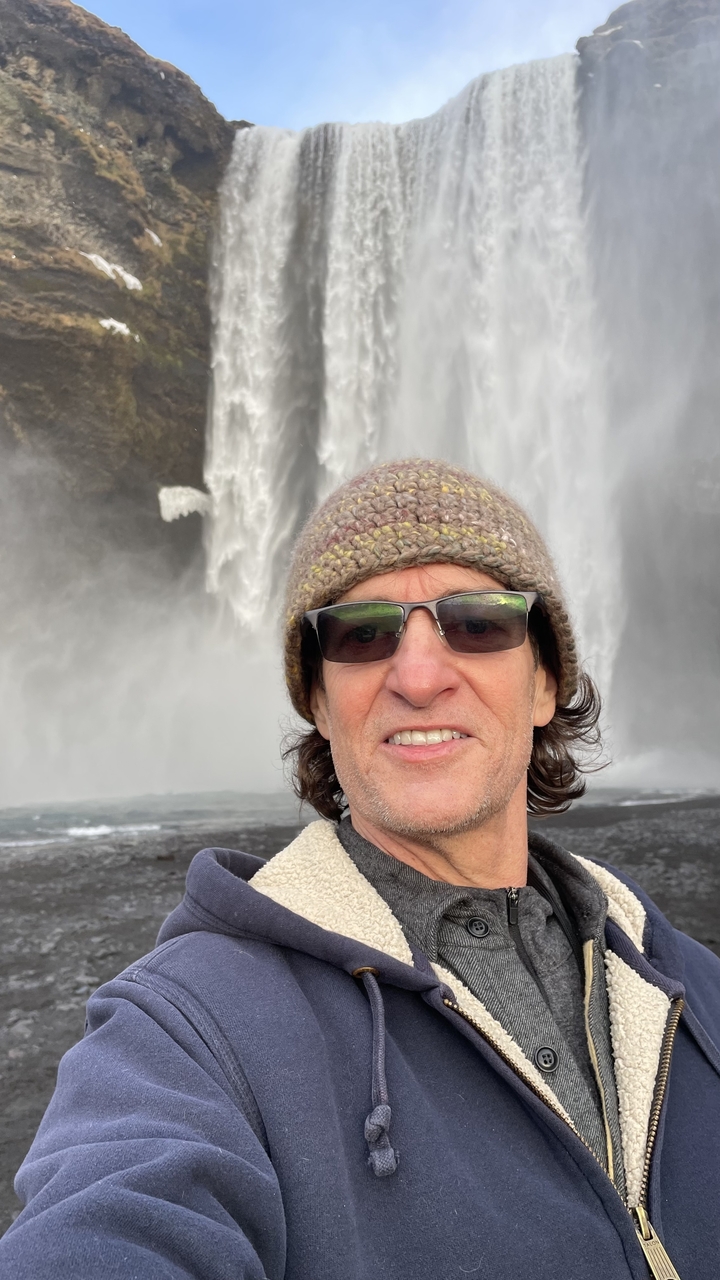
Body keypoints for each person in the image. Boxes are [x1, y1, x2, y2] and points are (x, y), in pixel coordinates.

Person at [2, 459, 719, 1280]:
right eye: (363, 633)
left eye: (480, 623)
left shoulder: (687, 986)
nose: (417, 676)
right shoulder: (186, 1031)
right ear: (317, 699)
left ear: (547, 682)